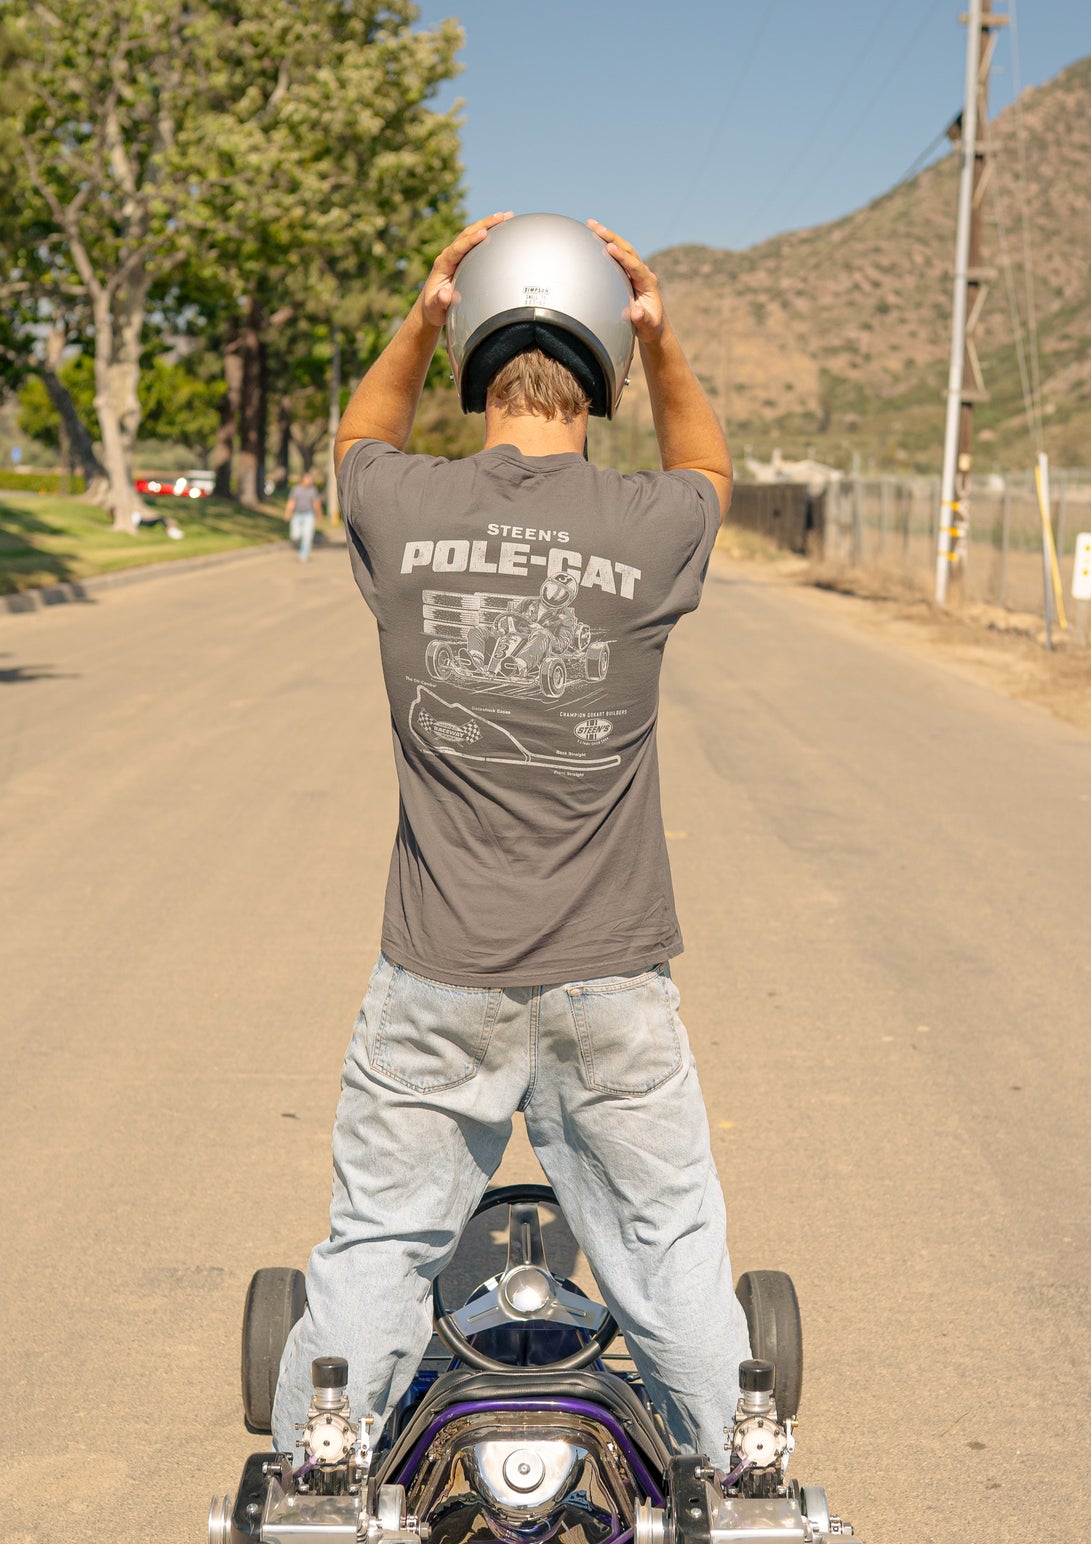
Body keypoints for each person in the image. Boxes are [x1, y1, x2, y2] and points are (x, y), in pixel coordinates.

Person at [273, 211, 751, 1465]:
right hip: (611, 979)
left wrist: (421, 317)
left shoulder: (400, 502)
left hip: (438, 972)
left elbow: (359, 431)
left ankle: (321, 1493)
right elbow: (710, 470)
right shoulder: (650, 528)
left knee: (380, 1241)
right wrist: (664, 342)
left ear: (478, 361)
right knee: (667, 1249)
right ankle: (736, 1475)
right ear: (596, 371)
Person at [284, 471, 322, 561]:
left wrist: (319, 514)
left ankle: (303, 555)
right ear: (302, 479)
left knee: (307, 536)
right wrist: (287, 513)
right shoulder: (296, 489)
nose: (310, 480)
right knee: (295, 536)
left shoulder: (313, 490)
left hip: (309, 515)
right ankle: (299, 544)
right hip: (297, 515)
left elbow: (316, 503)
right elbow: (291, 502)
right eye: (308, 478)